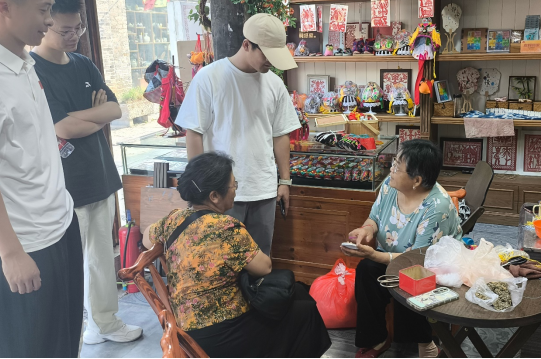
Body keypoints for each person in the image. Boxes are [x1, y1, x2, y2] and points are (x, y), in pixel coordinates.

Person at [30, 0, 143, 345]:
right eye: (65, 30)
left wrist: (79, 118)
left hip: (100, 175)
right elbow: (63, 128)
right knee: (68, 266)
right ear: (46, 23)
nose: (74, 36)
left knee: (101, 259)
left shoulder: (84, 64)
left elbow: (115, 109)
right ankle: (72, 336)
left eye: (78, 28)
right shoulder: (33, 70)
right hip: (64, 185)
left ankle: (104, 324)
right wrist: (90, 116)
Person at [143, 152, 331, 358]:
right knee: (304, 312)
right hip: (221, 336)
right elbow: (264, 267)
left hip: (186, 331)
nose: (235, 191)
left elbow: (146, 238)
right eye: (234, 185)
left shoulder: (174, 219)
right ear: (214, 196)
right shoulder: (225, 227)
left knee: (298, 293)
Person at [0, 0, 83, 357]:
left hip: (59, 223)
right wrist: (11, 253)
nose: (49, 20)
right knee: (27, 348)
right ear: (5, 7)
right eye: (43, 10)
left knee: (64, 341)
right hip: (24, 243)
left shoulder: (23, 61)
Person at [175, 13, 301, 256]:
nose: (271, 62)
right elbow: (194, 133)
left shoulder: (274, 84)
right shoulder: (209, 78)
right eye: (266, 55)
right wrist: (199, 188)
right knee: (220, 262)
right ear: (246, 45)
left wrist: (285, 181)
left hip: (263, 189)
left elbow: (280, 134)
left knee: (261, 261)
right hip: (218, 193)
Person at [341, 139, 463, 359]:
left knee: (408, 279)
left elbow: (419, 259)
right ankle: (376, 339)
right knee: (366, 270)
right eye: (394, 163)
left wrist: (375, 255)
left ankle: (425, 344)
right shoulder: (390, 185)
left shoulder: (437, 207)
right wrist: (366, 230)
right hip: (392, 256)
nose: (391, 169)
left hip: (431, 264)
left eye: (397, 166)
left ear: (417, 180)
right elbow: (374, 217)